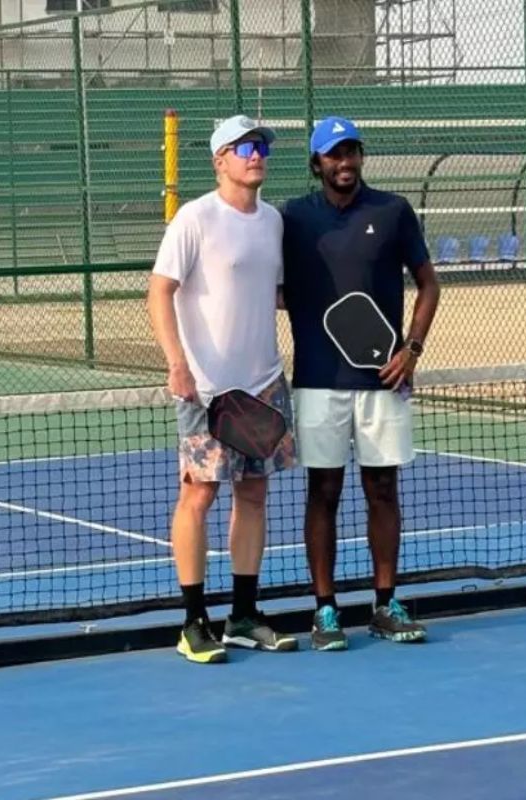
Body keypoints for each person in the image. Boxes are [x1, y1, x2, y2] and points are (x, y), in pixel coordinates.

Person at [281, 116, 441, 651]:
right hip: (317, 382)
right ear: (316, 163)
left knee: (383, 490)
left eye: (352, 152)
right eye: (334, 155)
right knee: (322, 492)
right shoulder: (292, 218)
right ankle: (325, 611)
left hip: (382, 382)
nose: (344, 163)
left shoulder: (392, 211)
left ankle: (384, 603)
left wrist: (411, 349)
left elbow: (428, 283)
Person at [147, 114, 299, 664]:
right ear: (219, 160)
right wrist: (177, 365)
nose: (256, 155)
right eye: (243, 148)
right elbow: (159, 292)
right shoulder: (194, 218)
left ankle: (243, 614)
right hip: (206, 391)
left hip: (264, 385)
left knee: (254, 495)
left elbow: (274, 294)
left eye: (261, 147)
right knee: (199, 494)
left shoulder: (274, 222)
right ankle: (193, 622)